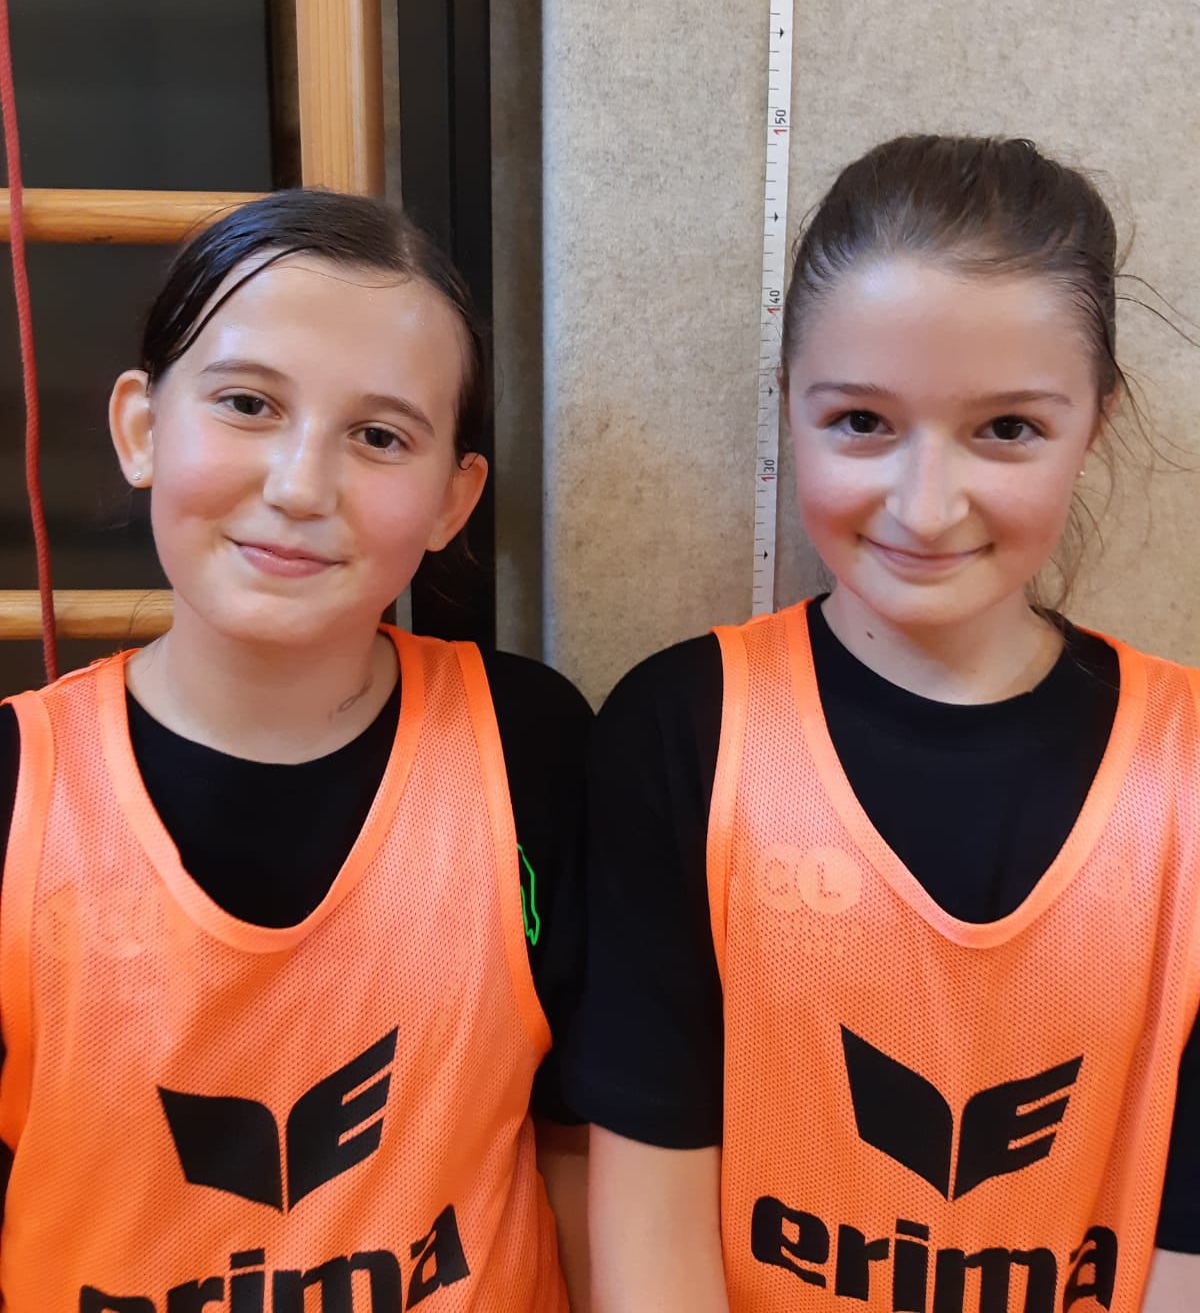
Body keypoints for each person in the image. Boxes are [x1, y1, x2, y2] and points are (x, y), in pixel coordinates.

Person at [570, 135, 1200, 1312]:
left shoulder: (1188, 775)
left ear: (1097, 424)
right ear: (788, 406)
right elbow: (650, 1226)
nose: (925, 504)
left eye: (1007, 429)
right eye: (862, 421)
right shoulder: (683, 732)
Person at [0, 189, 590, 1310]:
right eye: (247, 403)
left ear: (452, 499)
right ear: (141, 428)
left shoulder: (534, 745)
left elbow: (581, 1145)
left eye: (379, 436)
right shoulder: (18, 794)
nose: (300, 486)